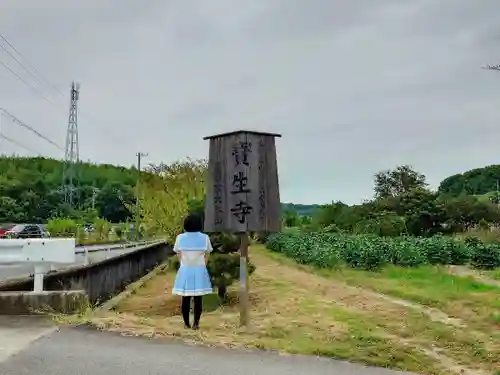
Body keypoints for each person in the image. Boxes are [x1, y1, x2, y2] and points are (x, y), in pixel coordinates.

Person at [172, 213, 213, 330]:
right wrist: (202, 265)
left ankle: (186, 324)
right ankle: (196, 323)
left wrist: (183, 263)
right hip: (200, 270)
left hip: (185, 270)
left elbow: (178, 253)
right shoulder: (205, 238)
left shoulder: (180, 238)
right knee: (198, 298)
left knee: (185, 298)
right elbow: (207, 254)